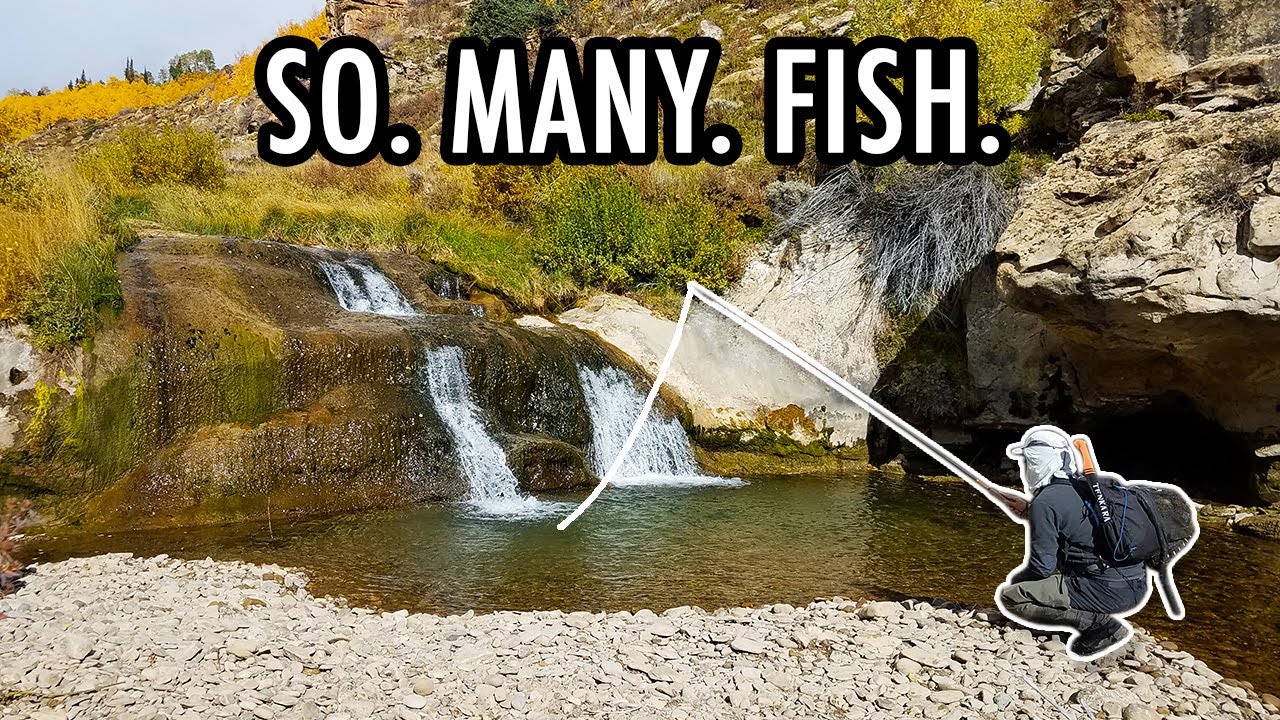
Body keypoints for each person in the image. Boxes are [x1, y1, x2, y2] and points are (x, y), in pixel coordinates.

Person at [995, 426, 1150, 659]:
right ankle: (1088, 615)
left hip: (1106, 592)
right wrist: (1029, 510)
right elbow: (1080, 527)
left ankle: (1099, 625)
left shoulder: (1046, 502)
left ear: (1038, 463)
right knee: (1027, 585)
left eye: (1027, 463)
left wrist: (1019, 586)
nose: (1025, 468)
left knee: (1011, 597)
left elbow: (1042, 567)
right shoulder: (1088, 486)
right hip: (1136, 587)